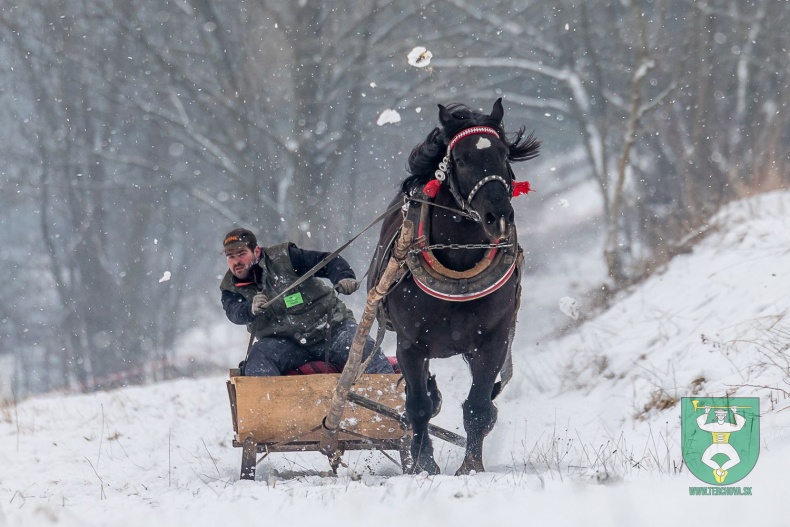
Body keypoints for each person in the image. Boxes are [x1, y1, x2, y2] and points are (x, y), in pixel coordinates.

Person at [219, 227, 394, 376]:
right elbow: (234, 313)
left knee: (362, 346)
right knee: (258, 357)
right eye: (231, 257)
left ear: (256, 252)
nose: (236, 262)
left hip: (332, 330)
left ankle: (391, 401)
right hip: (286, 344)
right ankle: (267, 413)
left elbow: (328, 261)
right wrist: (250, 310)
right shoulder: (229, 288)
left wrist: (343, 277)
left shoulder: (285, 258)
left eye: (241, 254)